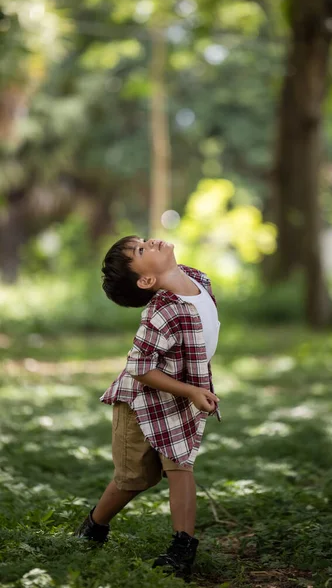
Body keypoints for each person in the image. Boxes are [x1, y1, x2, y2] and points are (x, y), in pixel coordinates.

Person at [75, 235, 221, 580]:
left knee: (181, 466)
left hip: (181, 397)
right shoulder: (160, 312)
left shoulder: (197, 278)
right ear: (146, 281)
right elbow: (140, 368)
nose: (150, 241)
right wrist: (190, 389)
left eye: (142, 240)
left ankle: (182, 549)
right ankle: (94, 526)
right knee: (134, 478)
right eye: (141, 250)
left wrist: (192, 388)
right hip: (141, 403)